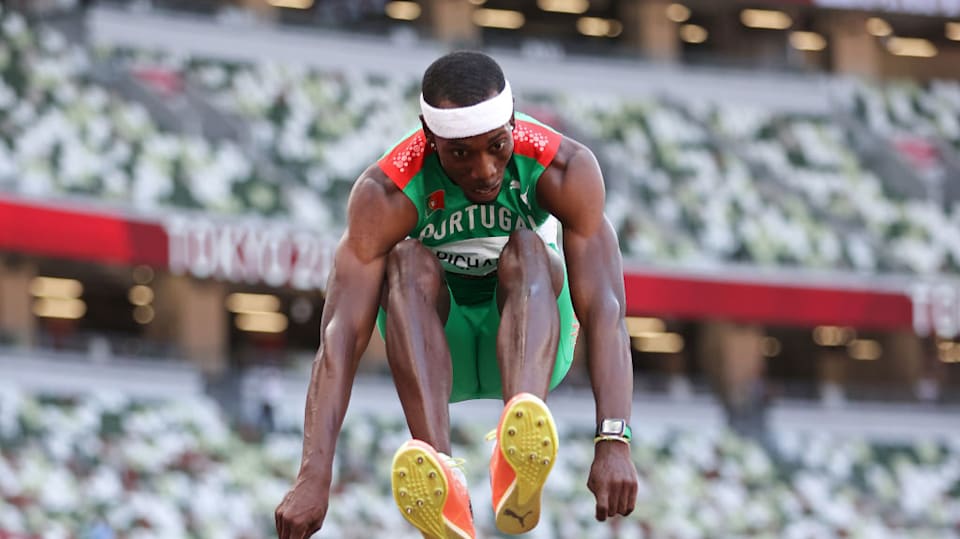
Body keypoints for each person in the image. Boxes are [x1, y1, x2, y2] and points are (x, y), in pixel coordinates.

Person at [275, 51, 638, 539]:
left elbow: (607, 309)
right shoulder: (385, 194)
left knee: (529, 247)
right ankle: (441, 472)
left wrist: (613, 439)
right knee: (404, 261)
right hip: (433, 352)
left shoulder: (563, 167)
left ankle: (519, 439)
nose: (485, 171)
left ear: (514, 123)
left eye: (497, 146)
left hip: (529, 338)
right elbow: (340, 336)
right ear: (430, 141)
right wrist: (313, 475)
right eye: (460, 154)